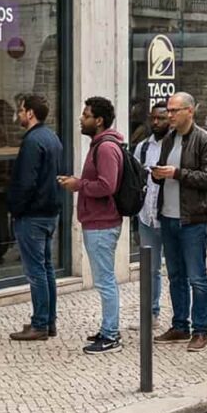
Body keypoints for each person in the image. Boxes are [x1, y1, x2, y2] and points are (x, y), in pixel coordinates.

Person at [151, 92, 207, 352]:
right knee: (175, 275)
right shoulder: (169, 139)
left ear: (190, 111)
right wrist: (158, 175)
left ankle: (201, 330)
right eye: (168, 110)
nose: (169, 115)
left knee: (196, 277)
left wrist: (177, 173)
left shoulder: (205, 140)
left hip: (192, 219)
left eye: (174, 110)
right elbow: (166, 171)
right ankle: (180, 325)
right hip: (168, 216)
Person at [58, 97, 125, 354]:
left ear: (98, 120)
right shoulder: (100, 144)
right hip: (97, 221)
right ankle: (108, 328)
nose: (81, 119)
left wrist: (78, 185)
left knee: (105, 281)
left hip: (102, 222)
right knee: (104, 279)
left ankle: (111, 335)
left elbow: (108, 185)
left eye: (86, 115)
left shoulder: (105, 147)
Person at [8, 94, 64, 341]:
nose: (18, 115)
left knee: (36, 271)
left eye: (21, 110)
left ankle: (40, 323)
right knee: (46, 268)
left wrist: (16, 209)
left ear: (30, 113)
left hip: (33, 214)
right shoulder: (52, 137)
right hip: (49, 211)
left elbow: (26, 181)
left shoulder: (32, 141)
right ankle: (48, 321)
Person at [134, 103, 170, 325]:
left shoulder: (176, 146)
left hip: (169, 216)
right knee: (150, 269)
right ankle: (151, 314)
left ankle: (181, 320)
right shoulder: (142, 148)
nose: (156, 122)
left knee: (177, 270)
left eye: (161, 118)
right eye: (153, 118)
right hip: (146, 216)